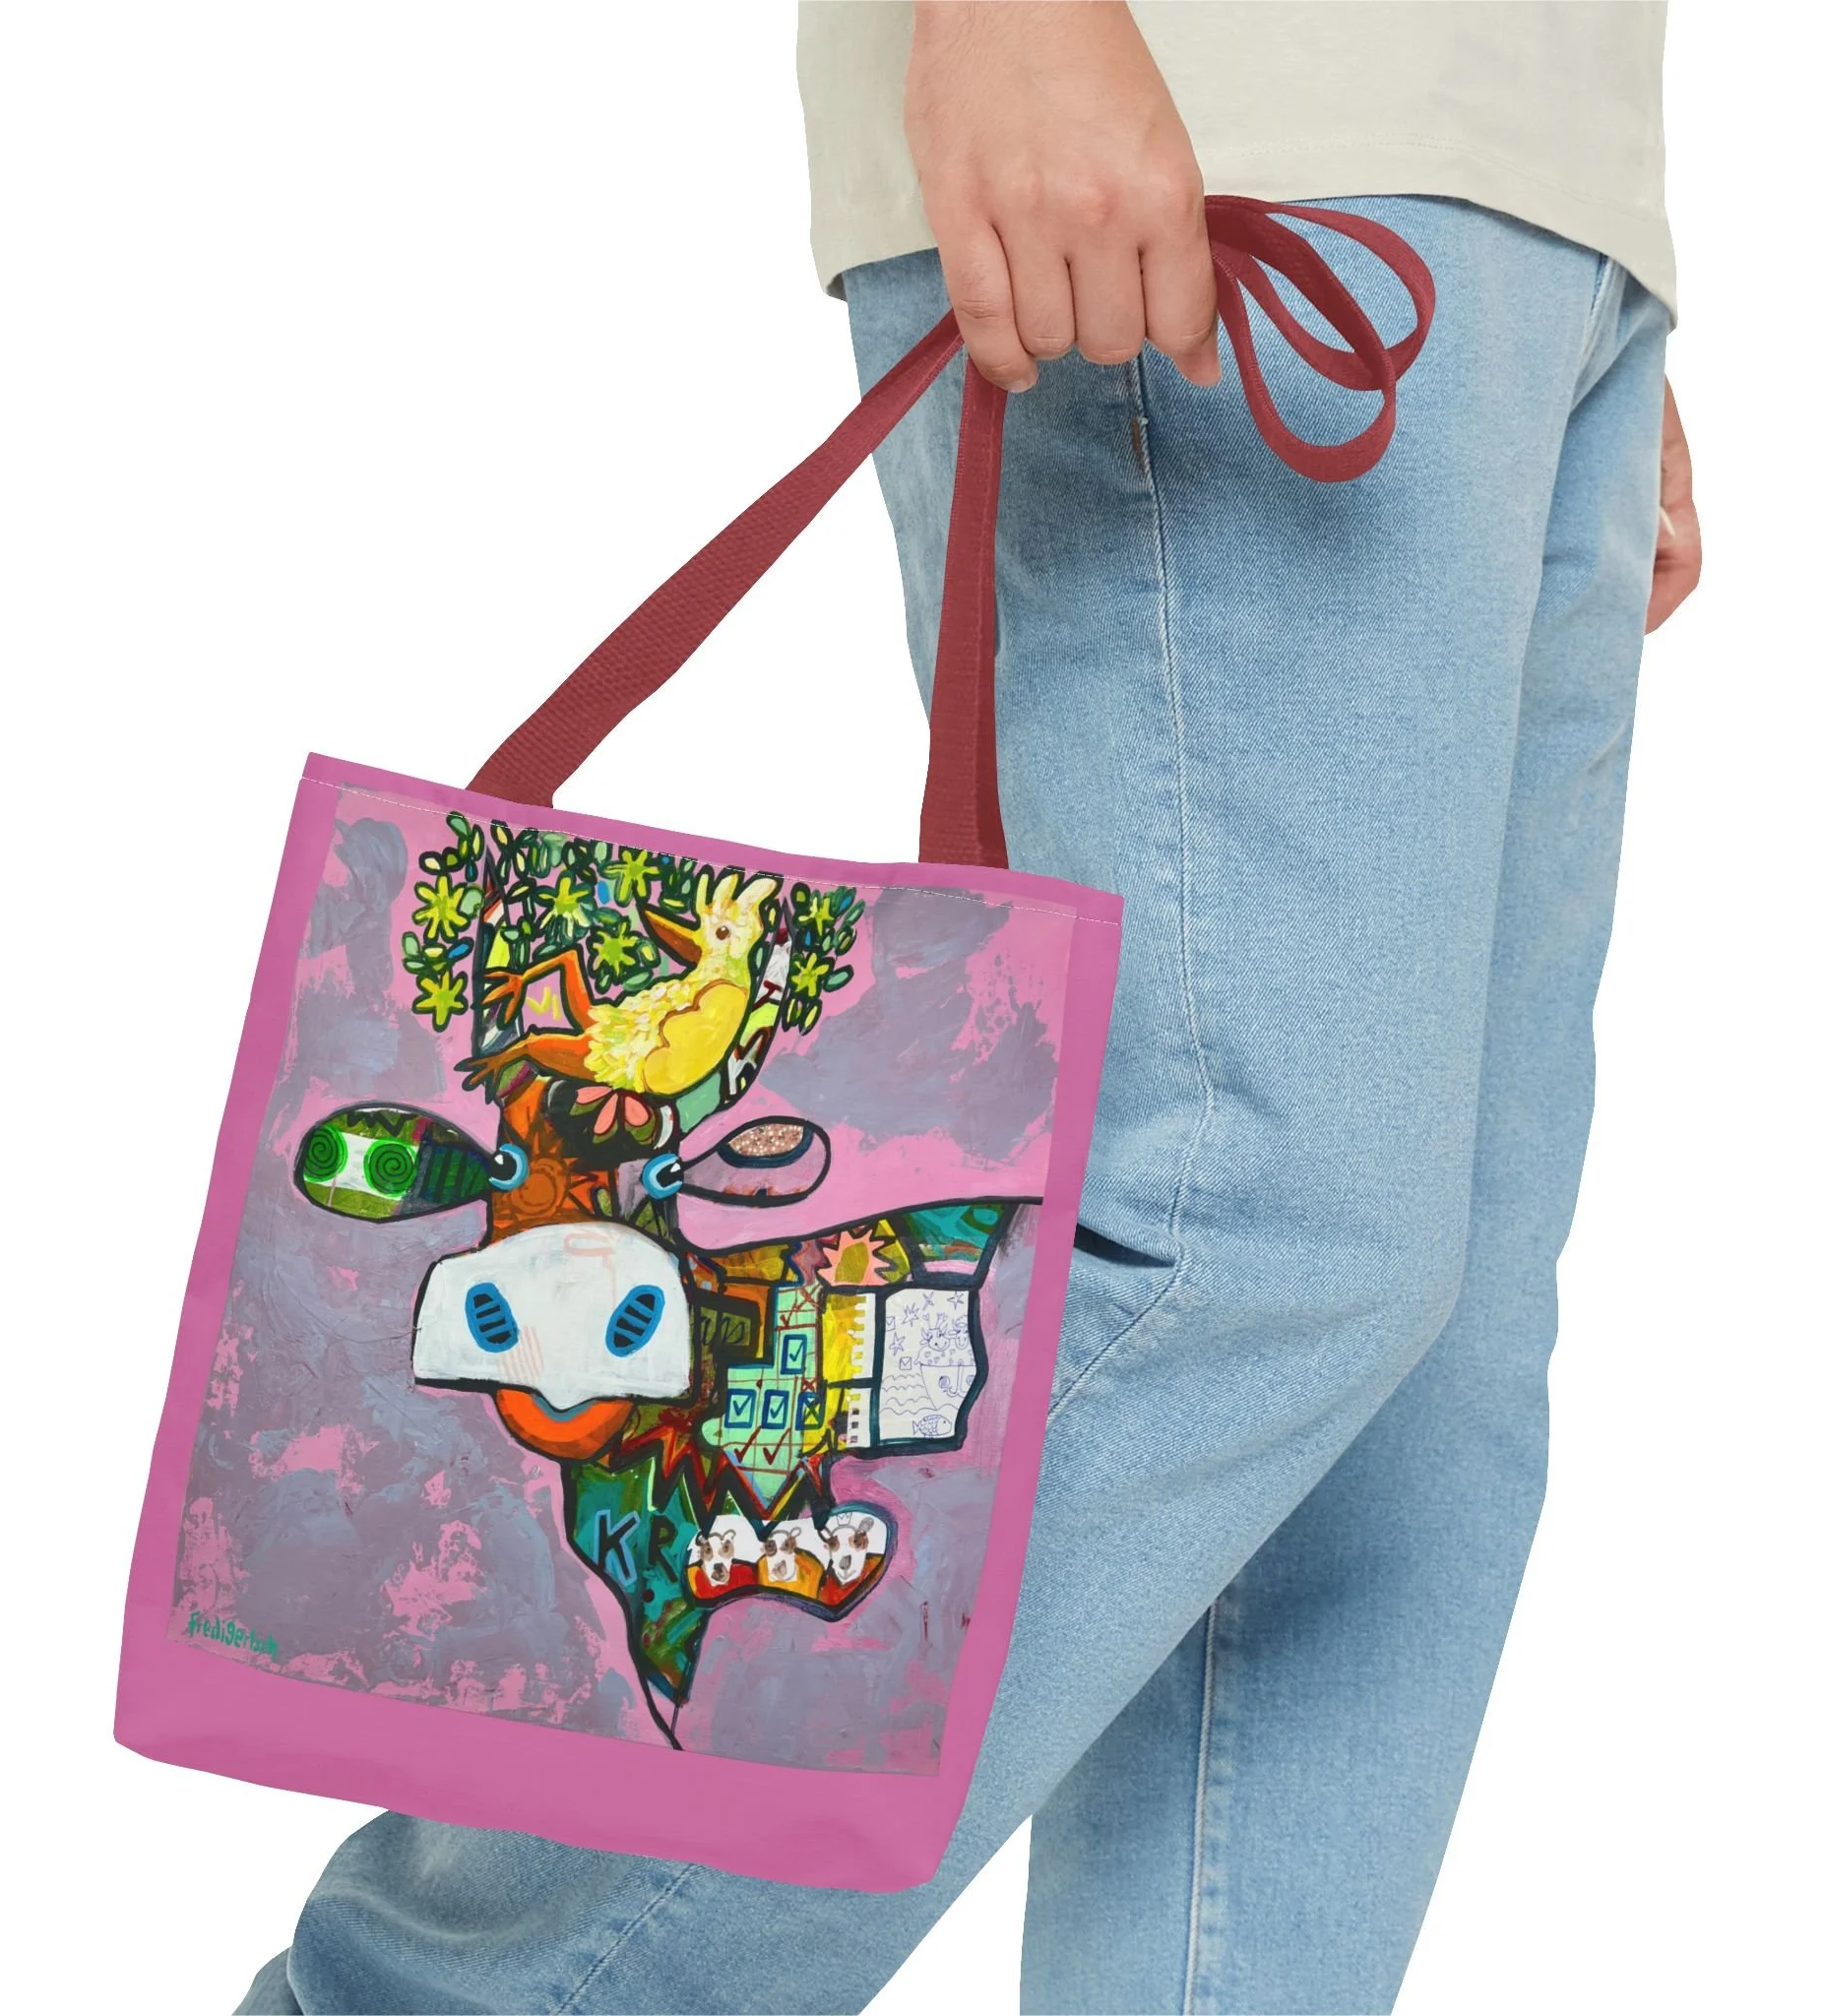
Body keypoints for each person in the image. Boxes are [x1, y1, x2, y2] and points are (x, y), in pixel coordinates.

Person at [238, 5, 1700, 2010]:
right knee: (1241, 1240)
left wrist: (1578, 246)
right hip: (1228, 115)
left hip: (1519, 197)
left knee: (1406, 1412)